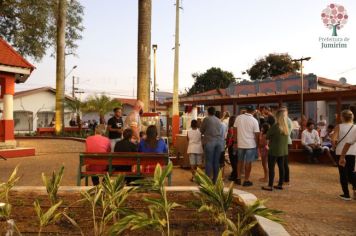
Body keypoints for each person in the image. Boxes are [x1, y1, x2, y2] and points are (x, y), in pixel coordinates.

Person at [262, 109, 289, 191]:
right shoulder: (286, 126)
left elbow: (267, 136)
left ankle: (270, 185)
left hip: (274, 150)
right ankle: (280, 184)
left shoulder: (275, 126)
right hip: (283, 150)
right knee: (281, 167)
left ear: (277, 116)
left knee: (271, 167)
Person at [234, 105, 260, 187]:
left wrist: (235, 142)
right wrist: (257, 144)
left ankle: (238, 178)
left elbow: (235, 130)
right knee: (248, 162)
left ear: (246, 110)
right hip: (250, 144)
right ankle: (246, 180)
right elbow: (257, 134)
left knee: (240, 161)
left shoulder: (238, 118)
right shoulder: (254, 120)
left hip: (240, 143)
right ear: (253, 111)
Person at [333, 110, 356, 200]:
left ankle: (346, 194)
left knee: (343, 173)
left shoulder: (339, 126)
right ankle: (354, 188)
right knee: (351, 173)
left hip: (340, 152)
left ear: (342, 117)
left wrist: (334, 146)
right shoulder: (355, 127)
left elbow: (333, 139)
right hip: (353, 152)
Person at [200, 107, 223, 183]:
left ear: (208, 112)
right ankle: (215, 180)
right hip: (219, 142)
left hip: (210, 141)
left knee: (209, 161)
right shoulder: (219, 120)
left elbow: (201, 130)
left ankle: (207, 180)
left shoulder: (207, 119)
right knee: (216, 161)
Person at [216, 111, 228, 179]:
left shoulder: (214, 125)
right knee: (221, 162)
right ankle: (222, 176)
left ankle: (216, 176)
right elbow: (225, 135)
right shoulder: (224, 125)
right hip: (222, 144)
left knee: (216, 161)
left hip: (215, 145)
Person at [226, 116, 237, 181]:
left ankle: (234, 174)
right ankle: (234, 173)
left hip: (232, 144)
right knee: (235, 160)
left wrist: (227, 145)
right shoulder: (237, 128)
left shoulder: (231, 128)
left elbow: (230, 137)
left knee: (233, 160)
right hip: (235, 144)